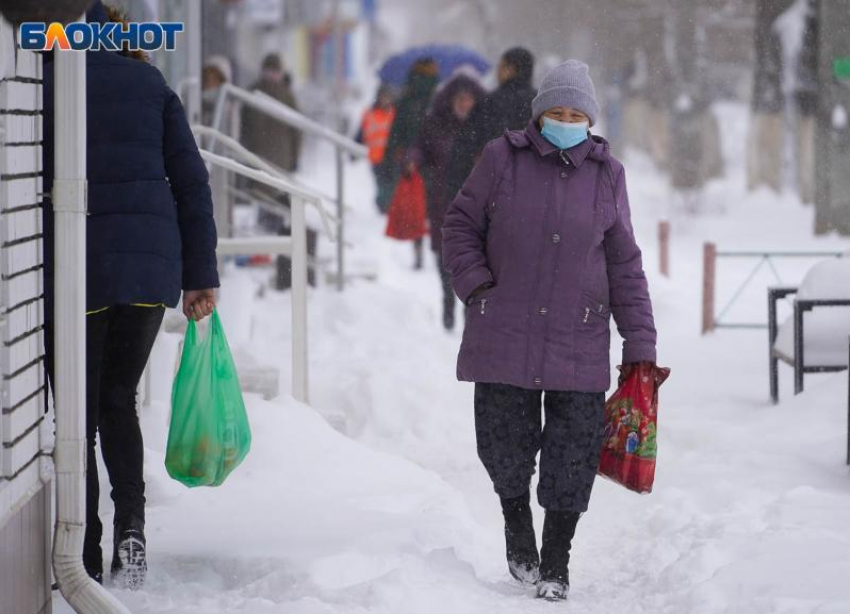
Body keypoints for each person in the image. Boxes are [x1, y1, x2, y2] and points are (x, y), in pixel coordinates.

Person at [442, 60, 658, 601]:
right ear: (539, 115)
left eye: (576, 114)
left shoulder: (608, 176)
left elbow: (624, 264)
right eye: (556, 112)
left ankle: (557, 560)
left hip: (578, 338)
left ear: (589, 119)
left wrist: (641, 346)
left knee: (573, 453)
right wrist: (477, 288)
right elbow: (460, 226)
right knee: (504, 445)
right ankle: (517, 526)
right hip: (505, 332)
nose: (566, 121)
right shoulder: (501, 158)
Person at [42, 1, 219, 589]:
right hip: (148, 269)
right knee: (119, 399)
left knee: (80, 413)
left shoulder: (51, 84)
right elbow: (191, 181)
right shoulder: (150, 83)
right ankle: (132, 531)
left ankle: (84, 546)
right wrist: (200, 273)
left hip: (81, 270)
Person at [411, 74, 485, 331]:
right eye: (460, 99)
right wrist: (412, 161)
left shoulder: (482, 127)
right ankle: (447, 301)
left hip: (476, 205)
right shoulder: (436, 124)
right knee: (445, 255)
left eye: (469, 100)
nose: (465, 104)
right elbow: (419, 148)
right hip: (443, 200)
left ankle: (468, 308)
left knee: (473, 257)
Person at [240, 53, 314, 288]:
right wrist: (294, 159)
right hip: (280, 165)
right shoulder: (286, 94)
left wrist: (245, 159)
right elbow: (297, 130)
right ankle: (292, 273)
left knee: (271, 212)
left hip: (257, 164)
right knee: (287, 216)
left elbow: (244, 131)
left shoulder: (252, 93)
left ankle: (282, 266)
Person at [445, 47, 536, 206]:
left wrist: (455, 188)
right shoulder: (541, 105)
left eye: (501, 67)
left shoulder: (490, 103)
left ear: (511, 69)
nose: (497, 72)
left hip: (493, 190)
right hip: (532, 191)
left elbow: (465, 147)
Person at [381, 58, 440, 269]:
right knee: (435, 205)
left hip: (411, 160)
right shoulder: (438, 98)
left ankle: (418, 248)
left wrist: (393, 157)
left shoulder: (406, 98)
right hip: (435, 159)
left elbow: (396, 131)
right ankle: (437, 246)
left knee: (416, 208)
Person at [357, 85, 396, 213]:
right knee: (381, 183)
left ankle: (386, 205)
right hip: (376, 156)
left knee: (389, 182)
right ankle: (382, 205)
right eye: (383, 96)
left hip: (390, 155)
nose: (385, 99)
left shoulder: (394, 112)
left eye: (387, 97)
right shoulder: (369, 113)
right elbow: (361, 133)